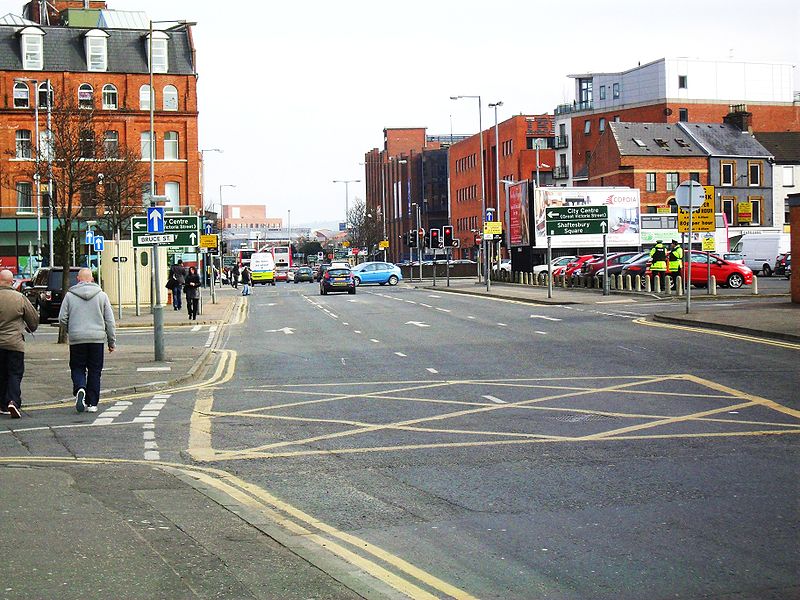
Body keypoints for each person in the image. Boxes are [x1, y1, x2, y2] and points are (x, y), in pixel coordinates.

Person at [58, 268, 115, 414]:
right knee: (95, 371)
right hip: (96, 339)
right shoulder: (102, 295)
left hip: (77, 338)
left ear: (78, 279)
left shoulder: (70, 296)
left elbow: (62, 318)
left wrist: (72, 331)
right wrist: (111, 341)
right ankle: (92, 403)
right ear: (92, 279)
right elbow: (109, 321)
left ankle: (80, 388)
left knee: (77, 367)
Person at [0, 270, 38, 418]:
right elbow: (33, 319)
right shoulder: (20, 298)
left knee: (1, 374)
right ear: (12, 282)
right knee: (15, 374)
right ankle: (13, 401)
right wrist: (30, 327)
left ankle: (2, 404)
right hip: (15, 343)